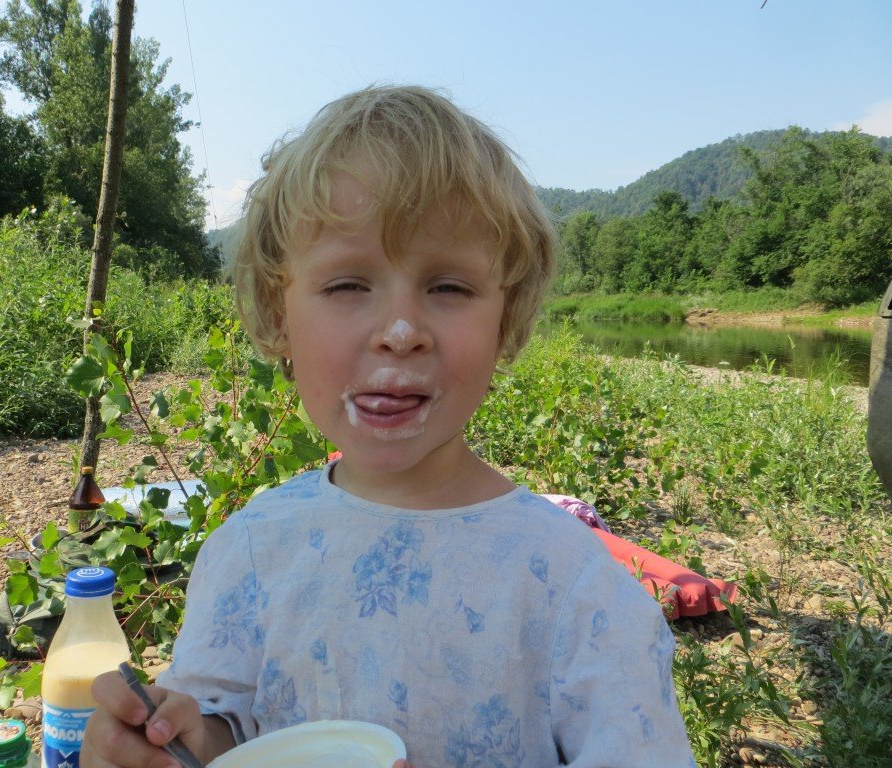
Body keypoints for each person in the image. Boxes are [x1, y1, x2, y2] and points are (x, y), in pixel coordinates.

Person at [81, 85, 695, 768]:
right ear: (280, 315)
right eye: (347, 285)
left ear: (506, 318)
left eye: (449, 287)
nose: (401, 332)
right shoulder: (249, 552)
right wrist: (178, 744)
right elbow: (226, 732)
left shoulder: (576, 587)